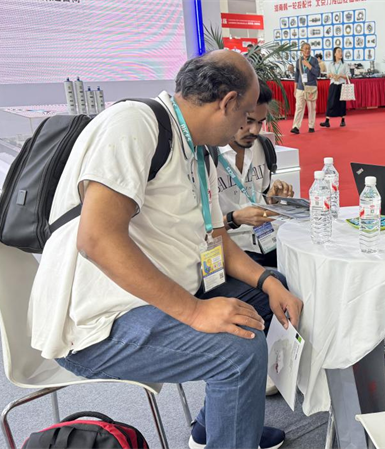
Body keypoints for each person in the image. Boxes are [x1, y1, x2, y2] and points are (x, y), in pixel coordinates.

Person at [27, 50, 303, 449]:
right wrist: (195, 312)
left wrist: (267, 282)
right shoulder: (135, 124)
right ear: (227, 103)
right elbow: (98, 239)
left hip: (159, 295)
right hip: (99, 322)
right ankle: (232, 426)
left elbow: (216, 238)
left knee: (271, 293)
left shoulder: (200, 150)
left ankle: (220, 424)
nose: (248, 127)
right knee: (239, 353)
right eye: (246, 115)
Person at [217, 79, 295, 269]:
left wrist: (273, 198)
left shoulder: (262, 146)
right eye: (248, 121)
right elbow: (195, 230)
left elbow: (261, 195)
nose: (255, 130)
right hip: (229, 251)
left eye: (260, 122)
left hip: (268, 241)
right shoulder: (206, 156)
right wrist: (234, 219)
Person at [291, 43, 321, 134]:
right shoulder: (298, 61)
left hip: (311, 87)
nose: (307, 50)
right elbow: (297, 76)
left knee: (311, 108)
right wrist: (295, 88)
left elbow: (318, 73)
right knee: (299, 107)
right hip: (300, 87)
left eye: (309, 49)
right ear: (302, 50)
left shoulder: (314, 60)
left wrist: (309, 65)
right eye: (305, 49)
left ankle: (311, 126)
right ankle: (296, 126)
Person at [320, 47, 349, 128]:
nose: (341, 53)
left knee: (342, 102)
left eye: (341, 51)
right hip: (333, 84)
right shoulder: (331, 64)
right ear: (335, 54)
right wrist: (331, 75)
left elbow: (349, 76)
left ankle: (343, 120)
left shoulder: (344, 64)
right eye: (339, 51)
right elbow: (327, 74)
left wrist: (340, 76)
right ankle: (327, 121)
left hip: (342, 84)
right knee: (330, 102)